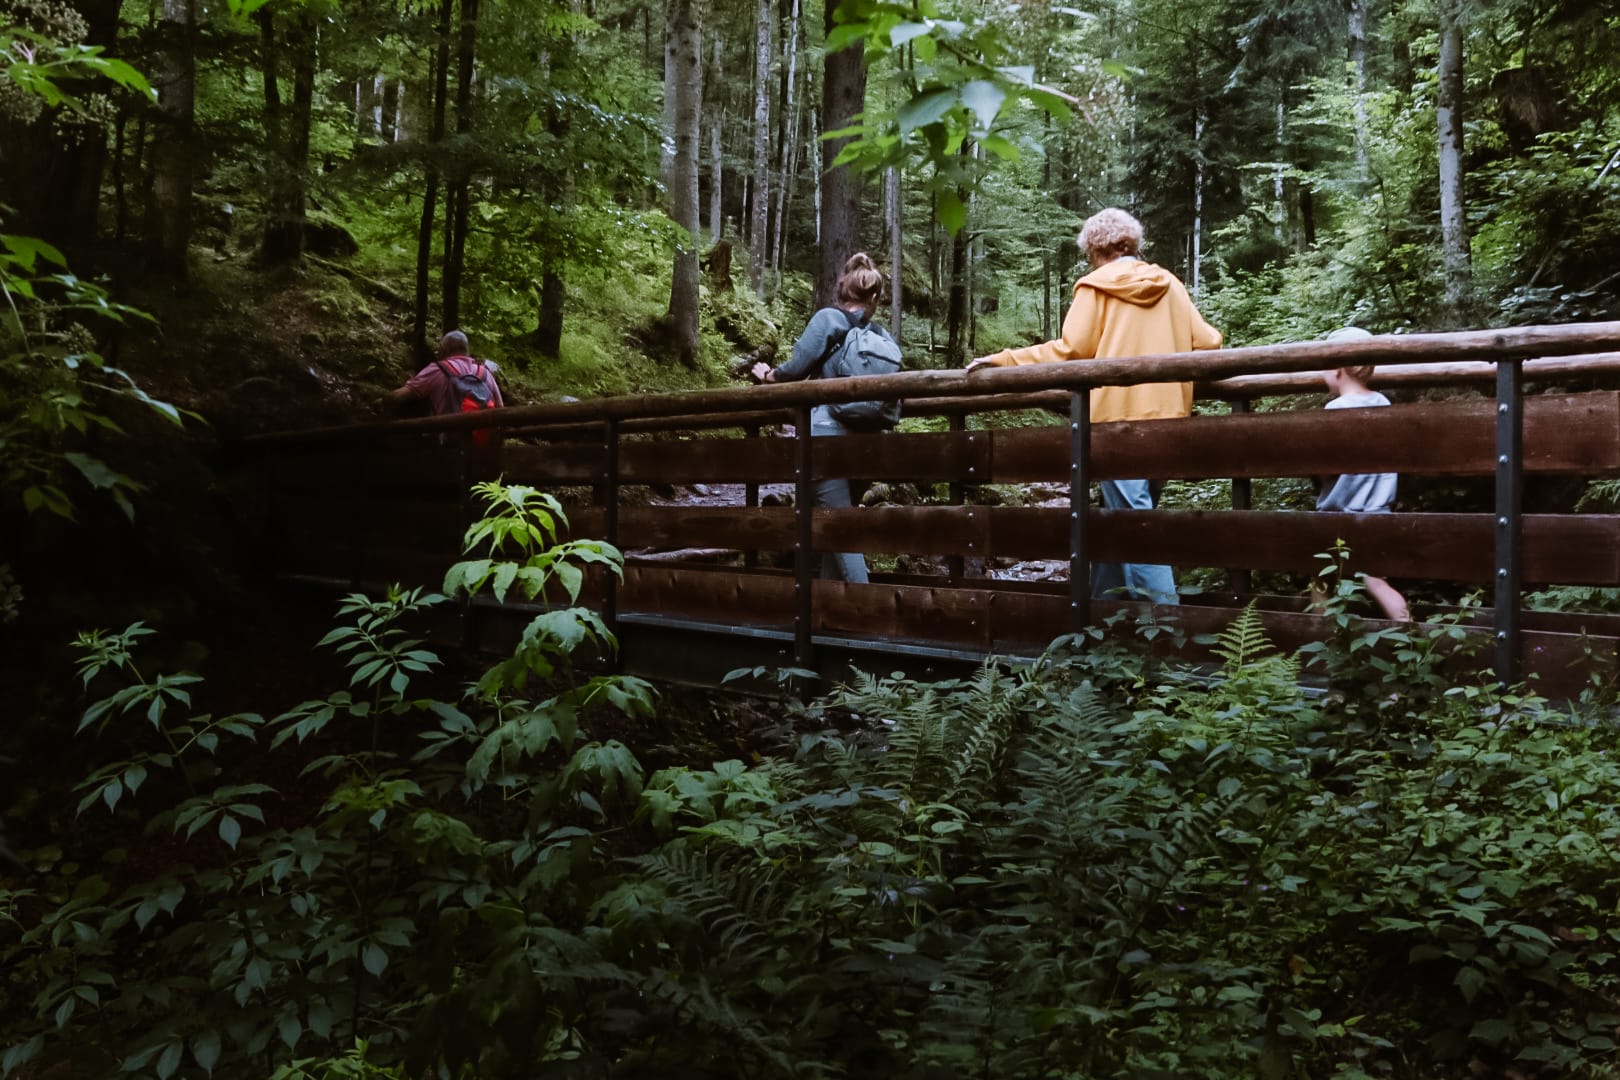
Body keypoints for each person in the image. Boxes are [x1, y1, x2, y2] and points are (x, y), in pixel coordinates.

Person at [966, 208, 1221, 604]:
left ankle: (1172, 632)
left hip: (1117, 424)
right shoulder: (1168, 284)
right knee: (1120, 518)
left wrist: (1004, 359)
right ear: (1131, 244)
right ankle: (1098, 627)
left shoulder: (1095, 286)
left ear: (1095, 249)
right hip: (1170, 419)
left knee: (1135, 523)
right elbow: (1208, 343)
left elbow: (1071, 352)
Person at [750, 252, 894, 584]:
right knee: (837, 527)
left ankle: (869, 614)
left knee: (839, 530)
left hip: (826, 439)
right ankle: (833, 615)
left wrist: (768, 375)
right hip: (869, 444)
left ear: (842, 289)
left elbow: (796, 369)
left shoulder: (828, 320)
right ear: (874, 297)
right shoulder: (881, 337)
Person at [1314, 327, 1410, 622]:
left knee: (1320, 580)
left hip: (1337, 517)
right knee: (1376, 580)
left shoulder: (1336, 409)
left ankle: (1320, 638)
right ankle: (1410, 637)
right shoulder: (1383, 404)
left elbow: (1326, 466)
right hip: (1378, 512)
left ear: (1337, 368)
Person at [392, 330, 505, 417]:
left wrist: (383, 399)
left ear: (444, 350)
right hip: (484, 443)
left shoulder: (437, 370)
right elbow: (500, 407)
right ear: (467, 350)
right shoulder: (485, 373)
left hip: (449, 443)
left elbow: (399, 397)